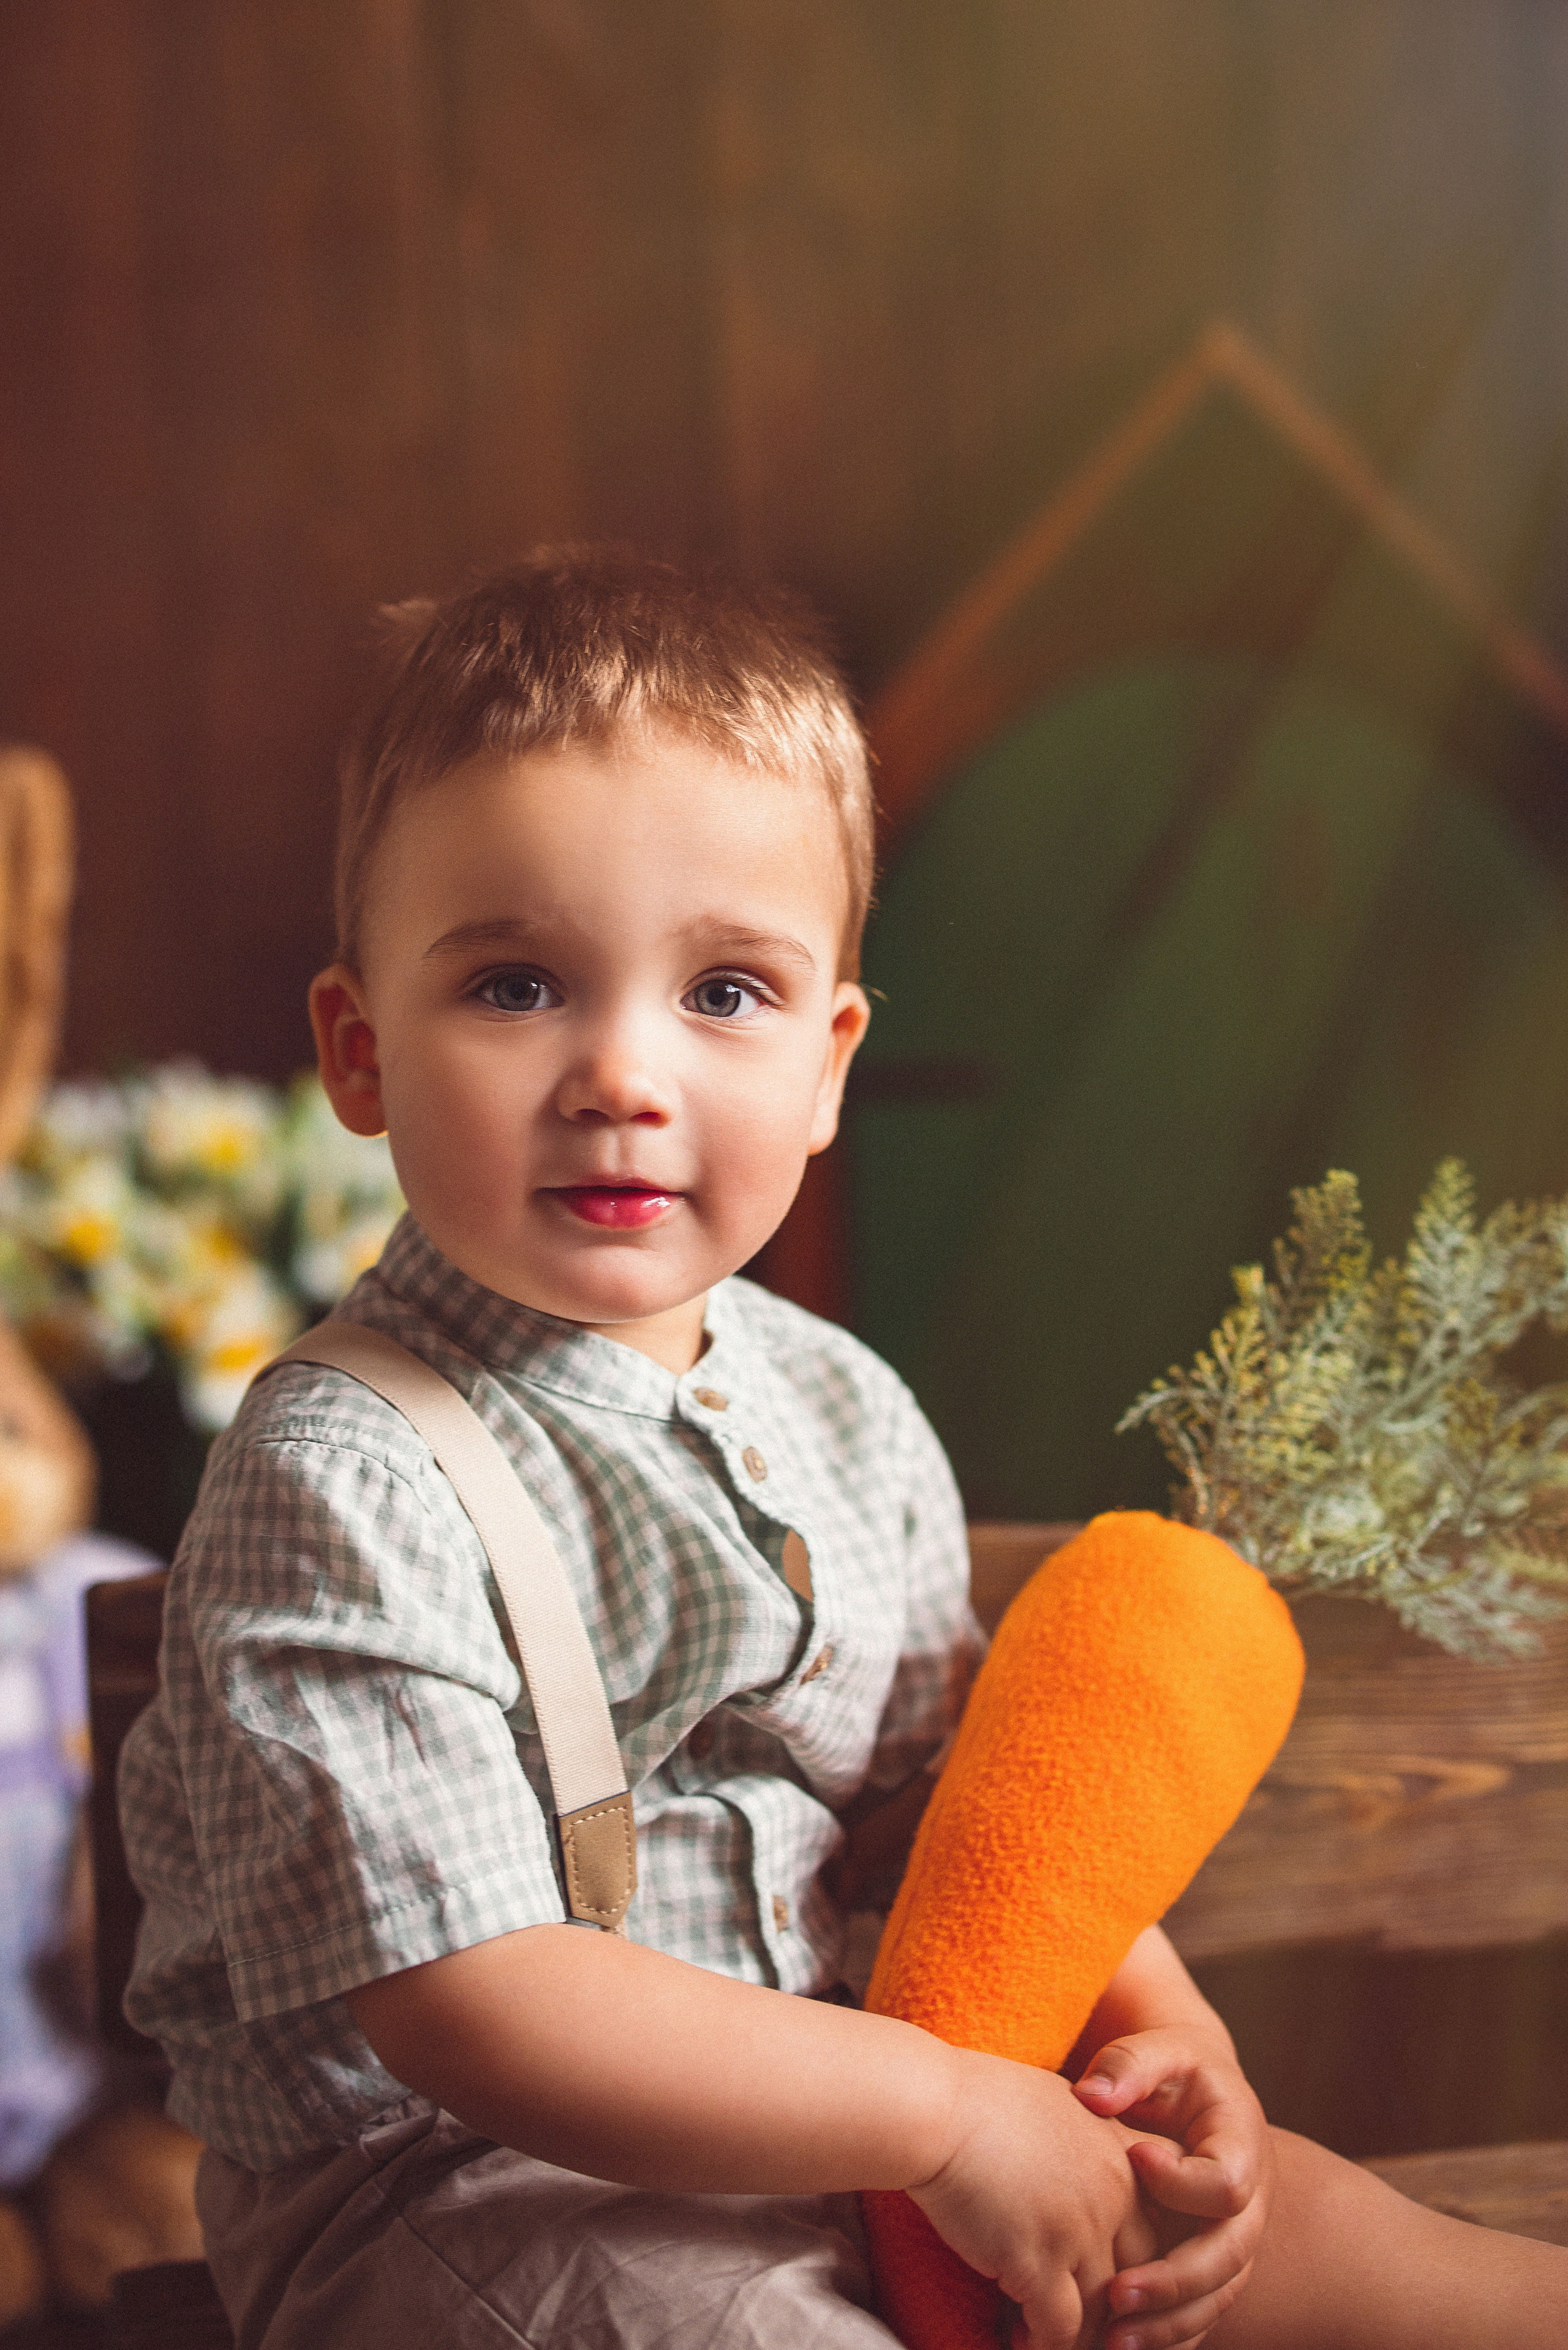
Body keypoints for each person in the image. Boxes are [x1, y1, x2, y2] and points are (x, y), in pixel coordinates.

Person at [119, 547, 1568, 2350]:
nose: (622, 1075)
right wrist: (945, 2115)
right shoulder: (341, 1472)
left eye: (724, 993)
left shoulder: (836, 1406)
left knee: (1338, 2258)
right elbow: (471, 2006)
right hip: (475, 2199)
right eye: (515, 987)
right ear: (361, 1051)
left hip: (878, 2120)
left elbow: (958, 1807)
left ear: (828, 1064)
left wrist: (1154, 2036)